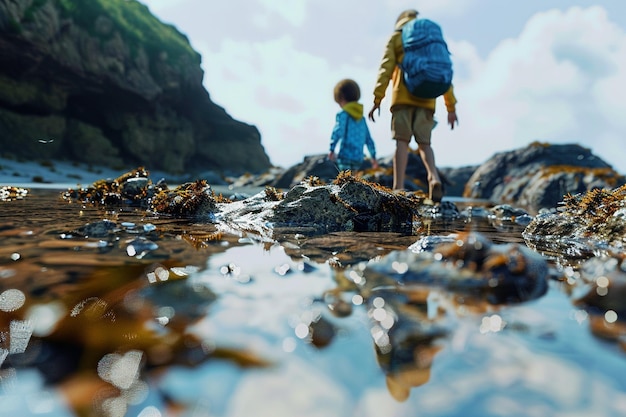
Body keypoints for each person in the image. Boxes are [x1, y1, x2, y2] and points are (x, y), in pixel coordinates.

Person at [368, 9, 458, 202]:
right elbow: (443, 74)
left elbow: (386, 68)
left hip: (402, 99)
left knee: (402, 142)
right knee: (425, 145)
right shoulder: (429, 38)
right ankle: (433, 177)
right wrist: (451, 107)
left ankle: (398, 187)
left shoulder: (396, 37)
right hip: (427, 99)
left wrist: (377, 99)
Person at [329, 79, 379, 172]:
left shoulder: (343, 114)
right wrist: (373, 156)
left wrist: (332, 148)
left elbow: (338, 130)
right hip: (358, 157)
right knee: (353, 179)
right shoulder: (362, 118)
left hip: (345, 155)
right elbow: (368, 139)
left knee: (344, 179)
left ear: (342, 98)